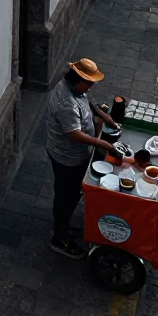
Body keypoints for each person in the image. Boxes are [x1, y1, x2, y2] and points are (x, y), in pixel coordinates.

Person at [46, 58, 122, 259]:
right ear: (79, 79)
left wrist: (104, 116)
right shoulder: (65, 102)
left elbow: (87, 102)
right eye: (89, 83)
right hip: (66, 158)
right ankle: (60, 238)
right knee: (65, 196)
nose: (90, 86)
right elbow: (74, 135)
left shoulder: (75, 88)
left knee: (73, 192)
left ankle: (64, 225)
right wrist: (103, 144)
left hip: (77, 156)